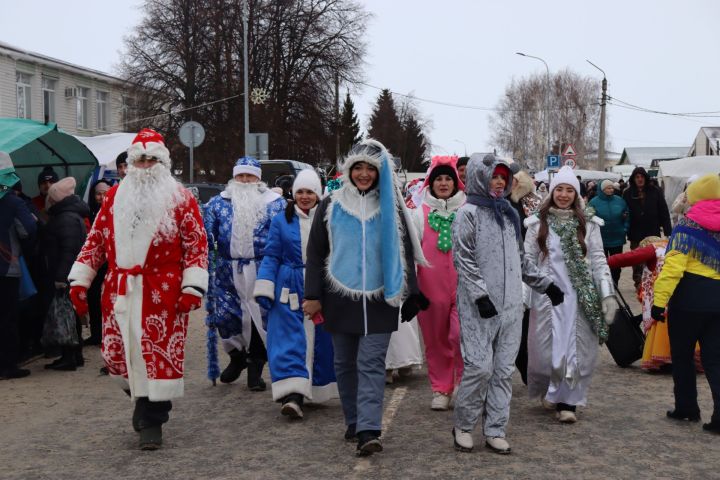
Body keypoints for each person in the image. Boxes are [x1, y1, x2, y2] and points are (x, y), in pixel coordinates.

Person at [68, 128, 209, 450]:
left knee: (157, 358)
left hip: (163, 291)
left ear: (162, 162)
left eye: (152, 159)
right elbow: (96, 241)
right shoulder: (116, 197)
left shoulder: (181, 198)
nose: (146, 165)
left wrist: (192, 287)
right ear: (131, 163)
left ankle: (153, 418)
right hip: (119, 289)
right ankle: (141, 399)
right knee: (118, 357)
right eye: (140, 159)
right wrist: (80, 280)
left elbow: (196, 245)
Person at [303, 139, 427, 456]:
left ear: (379, 172)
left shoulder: (391, 207)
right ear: (348, 170)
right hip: (339, 297)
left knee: (370, 363)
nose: (363, 174)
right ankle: (354, 419)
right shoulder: (330, 205)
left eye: (369, 168)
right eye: (357, 167)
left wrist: (411, 291)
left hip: (380, 299)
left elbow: (405, 251)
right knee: (344, 364)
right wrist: (313, 295)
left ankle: (369, 430)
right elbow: (316, 253)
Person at [450, 154, 562, 454]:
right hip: (479, 308)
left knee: (502, 371)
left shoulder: (509, 214)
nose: (499, 181)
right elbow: (463, 259)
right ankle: (463, 424)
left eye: (503, 177)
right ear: (479, 178)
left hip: (511, 305)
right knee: (480, 368)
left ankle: (495, 428)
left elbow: (520, 259)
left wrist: (545, 284)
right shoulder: (468, 214)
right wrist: (479, 295)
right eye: (493, 176)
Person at [524, 166, 618, 424]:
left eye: (569, 190)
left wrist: (607, 295)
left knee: (578, 352)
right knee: (544, 355)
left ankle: (569, 402)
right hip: (546, 296)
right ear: (552, 191)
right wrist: (525, 295)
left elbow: (598, 260)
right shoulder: (536, 224)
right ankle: (549, 389)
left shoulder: (588, 224)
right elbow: (528, 260)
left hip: (579, 297)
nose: (564, 195)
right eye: (559, 189)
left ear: (576, 194)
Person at [253, 169, 337, 419]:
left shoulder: (329, 219)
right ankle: (292, 394)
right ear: (293, 193)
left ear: (318, 194)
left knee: (322, 341)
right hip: (288, 287)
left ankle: (314, 387)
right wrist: (265, 285)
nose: (304, 196)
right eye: (300, 191)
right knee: (287, 340)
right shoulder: (281, 220)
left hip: (321, 286)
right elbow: (271, 255)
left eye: (310, 191)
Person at [204, 157, 286, 390]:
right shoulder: (218, 203)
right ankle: (237, 356)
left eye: (250, 176)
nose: (245, 180)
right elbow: (205, 233)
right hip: (227, 270)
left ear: (258, 179)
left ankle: (256, 366)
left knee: (261, 316)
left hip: (262, 267)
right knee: (225, 316)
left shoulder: (274, 203)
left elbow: (283, 234)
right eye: (241, 176)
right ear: (234, 177)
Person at [652, 173, 720, 433]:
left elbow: (672, 269)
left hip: (688, 302)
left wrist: (659, 302)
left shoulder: (686, 226)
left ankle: (687, 408)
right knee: (716, 360)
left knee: (682, 356)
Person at [411, 155, 466, 410]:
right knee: (435, 340)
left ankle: (465, 385)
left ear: (456, 183)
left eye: (448, 179)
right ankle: (441, 388)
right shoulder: (420, 214)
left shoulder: (467, 211)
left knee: (460, 336)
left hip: (464, 285)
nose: (443, 183)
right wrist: (411, 288)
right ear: (430, 184)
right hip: (430, 288)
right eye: (438, 179)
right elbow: (410, 251)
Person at [608, 236, 702, 372]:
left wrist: (602, 263)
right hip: (685, 298)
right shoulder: (679, 246)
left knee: (662, 329)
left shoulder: (654, 249)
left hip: (661, 299)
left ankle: (667, 360)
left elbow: (627, 258)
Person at [41, 177, 90, 370]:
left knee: (66, 316)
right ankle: (74, 355)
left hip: (66, 275)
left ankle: (69, 356)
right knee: (72, 315)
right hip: (72, 274)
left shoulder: (65, 218)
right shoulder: (71, 215)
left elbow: (68, 251)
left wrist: (61, 277)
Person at [0, 151, 37, 379]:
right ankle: (8, 366)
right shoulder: (13, 202)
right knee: (8, 318)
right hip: (7, 267)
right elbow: (28, 230)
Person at [509, 169, 543, 385]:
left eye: (510, 178)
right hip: (506, 270)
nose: (505, 182)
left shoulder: (534, 203)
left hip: (530, 270)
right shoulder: (498, 202)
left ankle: (533, 375)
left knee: (529, 329)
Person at [623, 167, 672, 288]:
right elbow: (623, 212)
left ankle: (652, 281)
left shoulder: (655, 191)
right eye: (637, 177)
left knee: (652, 257)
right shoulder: (628, 193)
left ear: (645, 178)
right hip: (635, 231)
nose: (640, 179)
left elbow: (664, 211)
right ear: (633, 179)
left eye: (642, 177)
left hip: (652, 230)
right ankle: (639, 284)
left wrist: (667, 231)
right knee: (636, 258)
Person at [84, 179, 113, 346]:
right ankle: (96, 333)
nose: (101, 197)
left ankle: (110, 334)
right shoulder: (89, 213)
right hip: (95, 263)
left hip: (112, 263)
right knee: (94, 297)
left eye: (105, 193)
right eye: (98, 193)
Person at [589, 179, 629, 284]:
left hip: (617, 238)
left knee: (617, 264)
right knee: (602, 264)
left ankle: (615, 283)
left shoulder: (620, 200)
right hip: (600, 239)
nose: (611, 190)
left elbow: (628, 215)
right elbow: (588, 218)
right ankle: (604, 284)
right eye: (608, 188)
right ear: (602, 190)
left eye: (612, 188)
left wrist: (625, 228)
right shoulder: (593, 202)